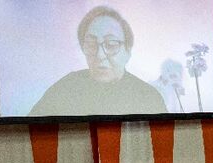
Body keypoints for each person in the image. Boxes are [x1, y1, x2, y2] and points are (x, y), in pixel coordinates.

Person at [29, 6, 167, 117]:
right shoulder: (66, 87)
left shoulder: (148, 96)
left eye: (111, 44)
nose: (100, 55)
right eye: (91, 44)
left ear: (128, 51)